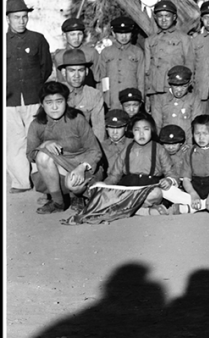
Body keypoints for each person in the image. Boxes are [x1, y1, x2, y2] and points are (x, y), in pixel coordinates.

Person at [26, 81, 102, 214]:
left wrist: (82, 167)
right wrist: (44, 145)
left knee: (74, 185)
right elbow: (30, 154)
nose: (54, 107)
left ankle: (77, 196)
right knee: (42, 156)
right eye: (49, 102)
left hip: (81, 166)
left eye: (59, 101)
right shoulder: (37, 124)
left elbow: (95, 150)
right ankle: (58, 202)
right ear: (42, 104)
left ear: (66, 102)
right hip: (57, 171)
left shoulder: (77, 119)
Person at [6, 0, 53, 194]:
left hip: (33, 97)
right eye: (17, 17)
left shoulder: (37, 39)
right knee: (14, 141)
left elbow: (46, 67)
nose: (21, 21)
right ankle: (20, 182)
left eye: (24, 17)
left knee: (35, 138)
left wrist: (36, 86)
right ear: (8, 19)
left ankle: (40, 179)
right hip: (9, 100)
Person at [144, 0, 194, 109]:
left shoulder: (184, 39)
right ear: (155, 18)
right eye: (160, 16)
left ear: (174, 17)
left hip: (176, 90)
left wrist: (188, 91)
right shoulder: (150, 41)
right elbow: (147, 71)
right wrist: (147, 95)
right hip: (155, 91)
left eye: (167, 16)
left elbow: (190, 67)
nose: (164, 20)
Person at [57, 48, 106, 141]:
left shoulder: (94, 95)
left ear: (86, 71)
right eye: (71, 70)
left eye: (80, 70)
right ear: (64, 72)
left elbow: (99, 129)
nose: (76, 75)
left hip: (85, 145)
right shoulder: (56, 93)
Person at [98, 16, 144, 110]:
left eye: (127, 33)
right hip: (112, 99)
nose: (124, 36)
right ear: (114, 34)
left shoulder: (137, 52)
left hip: (131, 100)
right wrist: (104, 97)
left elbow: (141, 78)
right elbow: (103, 77)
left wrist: (141, 99)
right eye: (120, 33)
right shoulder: (106, 52)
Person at [150, 64, 202, 134]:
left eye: (184, 86)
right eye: (176, 86)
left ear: (189, 84)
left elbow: (197, 126)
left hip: (187, 142)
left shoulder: (194, 99)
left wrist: (190, 144)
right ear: (170, 84)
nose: (179, 90)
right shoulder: (160, 99)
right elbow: (156, 126)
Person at [50, 16, 99, 87]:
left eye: (80, 34)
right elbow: (60, 81)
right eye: (72, 34)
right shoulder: (59, 56)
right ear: (64, 35)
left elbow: (98, 79)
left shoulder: (91, 53)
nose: (76, 38)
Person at [101, 108, 131, 181]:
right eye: (111, 127)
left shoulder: (132, 144)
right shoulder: (101, 146)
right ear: (106, 128)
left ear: (126, 128)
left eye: (119, 127)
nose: (115, 132)